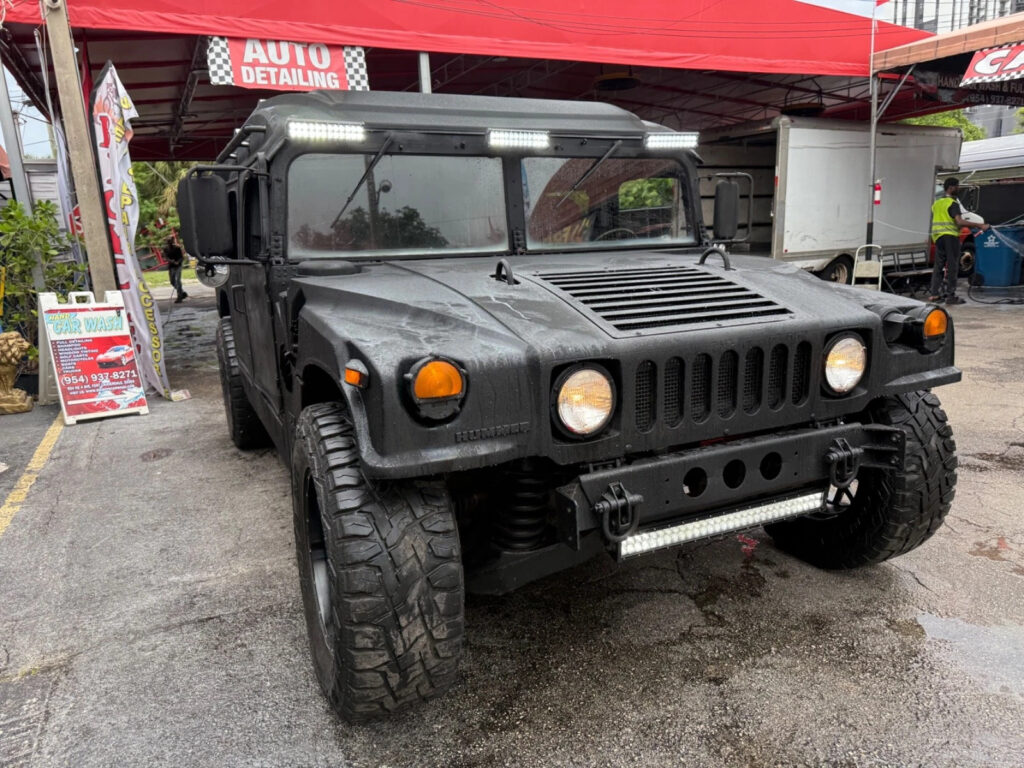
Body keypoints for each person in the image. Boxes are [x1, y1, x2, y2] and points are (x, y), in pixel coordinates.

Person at [930, 177, 988, 305]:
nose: (959, 188)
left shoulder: (937, 204)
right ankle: (951, 296)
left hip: (938, 238)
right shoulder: (953, 203)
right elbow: (959, 222)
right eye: (957, 186)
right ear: (951, 188)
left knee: (938, 266)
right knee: (952, 266)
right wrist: (979, 225)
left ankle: (934, 294)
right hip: (950, 237)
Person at [163, 236, 188, 303]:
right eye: (168, 241)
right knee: (172, 281)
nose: (169, 243)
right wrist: (172, 261)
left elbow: (182, 257)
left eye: (170, 241)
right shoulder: (165, 249)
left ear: (173, 241)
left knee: (178, 281)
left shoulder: (177, 248)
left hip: (178, 266)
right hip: (171, 266)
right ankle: (182, 293)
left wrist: (178, 262)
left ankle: (179, 297)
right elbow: (166, 257)